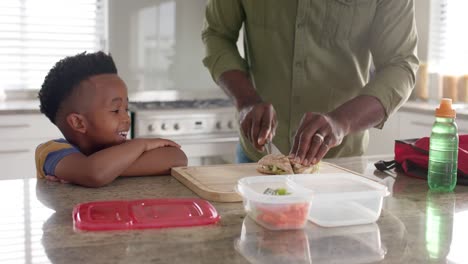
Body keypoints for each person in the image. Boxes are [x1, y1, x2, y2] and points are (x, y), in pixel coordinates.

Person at [202, 0, 419, 166]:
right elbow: (216, 34)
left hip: (341, 163)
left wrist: (341, 122)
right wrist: (246, 100)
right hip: (257, 158)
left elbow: (400, 65)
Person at [35, 51, 187, 187]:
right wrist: (142, 145)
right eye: (115, 110)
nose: (126, 118)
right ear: (79, 122)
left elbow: (177, 157)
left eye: (126, 109)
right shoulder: (50, 152)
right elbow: (94, 173)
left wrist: (109, 169)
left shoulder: (113, 147)